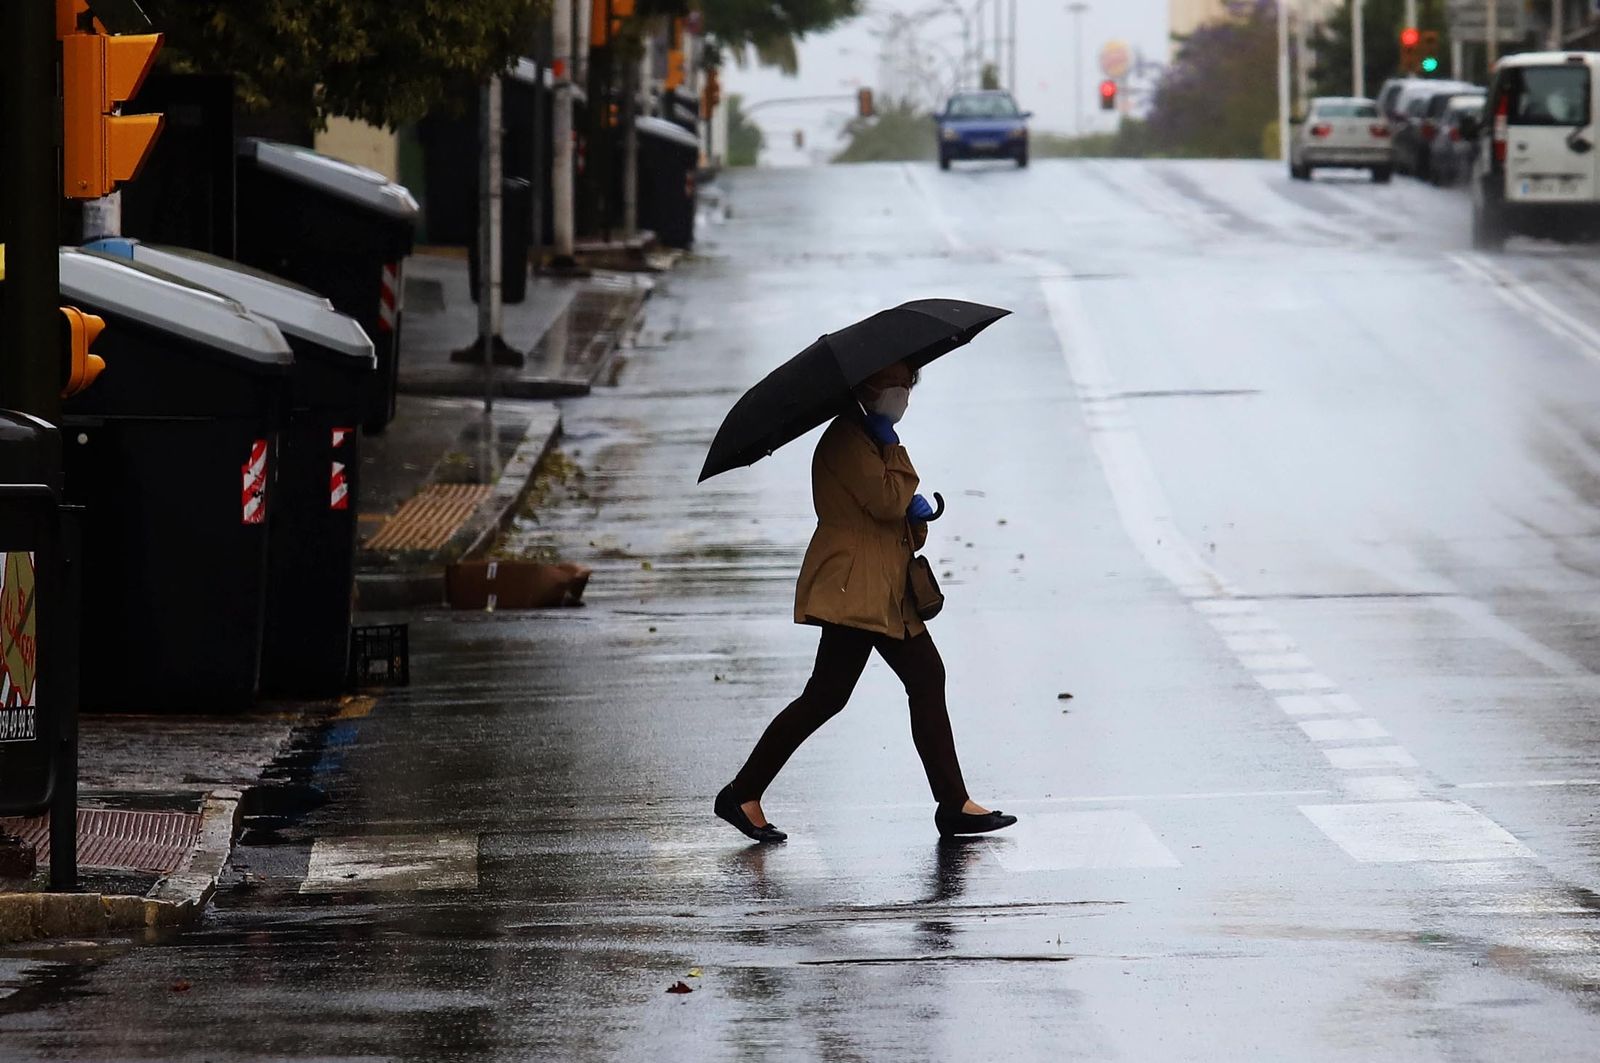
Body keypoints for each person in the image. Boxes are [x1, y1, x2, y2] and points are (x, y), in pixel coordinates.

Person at [714, 360, 1017, 842]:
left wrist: (916, 514)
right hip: (853, 588)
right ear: (870, 388)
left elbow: (896, 519)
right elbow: (884, 502)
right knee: (827, 696)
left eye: (908, 386)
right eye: (897, 386)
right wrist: (898, 466)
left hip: (885, 589)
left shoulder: (871, 438)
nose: (904, 396)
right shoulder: (846, 441)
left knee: (921, 676)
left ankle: (954, 804)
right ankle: (743, 792)